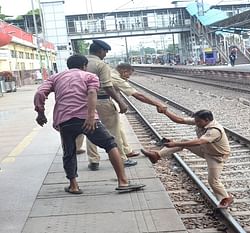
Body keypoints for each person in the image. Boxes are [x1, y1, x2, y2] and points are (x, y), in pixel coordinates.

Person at [34, 54, 145, 194]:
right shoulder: (90, 77)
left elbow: (40, 93)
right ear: (84, 66)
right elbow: (92, 92)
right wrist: (91, 116)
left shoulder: (56, 77)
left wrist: (41, 113)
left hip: (64, 120)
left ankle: (74, 186)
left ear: (69, 66)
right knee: (110, 144)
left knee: (69, 152)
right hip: (86, 119)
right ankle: (123, 182)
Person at [141, 109, 233, 208]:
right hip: (205, 150)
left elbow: (199, 142)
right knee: (184, 141)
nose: (196, 123)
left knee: (213, 181)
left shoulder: (215, 130)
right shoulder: (200, 122)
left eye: (198, 121)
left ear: (207, 120)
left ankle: (226, 198)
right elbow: (179, 120)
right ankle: (157, 155)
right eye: (196, 121)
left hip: (216, 156)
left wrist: (175, 143)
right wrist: (165, 111)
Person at [85, 39, 135, 170]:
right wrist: (120, 102)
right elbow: (107, 86)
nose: (105, 54)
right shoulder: (101, 65)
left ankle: (93, 160)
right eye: (105, 52)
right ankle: (121, 159)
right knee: (114, 131)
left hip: (86, 102)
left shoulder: (82, 62)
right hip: (102, 101)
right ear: (100, 51)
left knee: (90, 130)